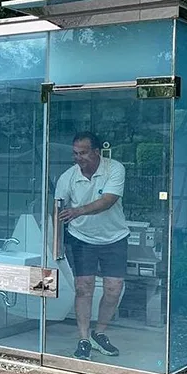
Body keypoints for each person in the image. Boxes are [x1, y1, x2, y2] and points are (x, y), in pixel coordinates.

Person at [55, 132, 129, 361]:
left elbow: (108, 201)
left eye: (84, 153)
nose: (79, 158)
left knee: (113, 288)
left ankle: (100, 333)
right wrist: (55, 244)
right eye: (75, 153)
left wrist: (78, 210)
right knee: (83, 288)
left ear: (96, 152)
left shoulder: (114, 169)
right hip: (82, 238)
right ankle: (84, 338)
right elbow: (57, 210)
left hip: (114, 236)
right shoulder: (67, 177)